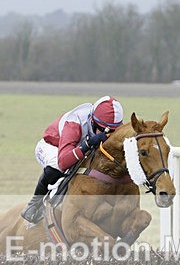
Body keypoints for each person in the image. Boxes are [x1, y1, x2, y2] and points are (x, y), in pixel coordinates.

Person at [20, 95, 124, 224]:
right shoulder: (74, 123)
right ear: (92, 120)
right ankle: (33, 205)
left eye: (113, 132)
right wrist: (87, 144)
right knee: (57, 166)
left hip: (75, 148)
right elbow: (63, 162)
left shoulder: (105, 125)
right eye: (104, 130)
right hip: (53, 146)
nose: (108, 135)